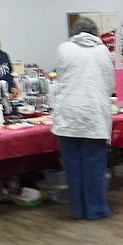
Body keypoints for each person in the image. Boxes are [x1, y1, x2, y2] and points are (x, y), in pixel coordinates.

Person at [51, 17, 115, 220]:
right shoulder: (102, 50)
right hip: (94, 115)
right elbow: (109, 84)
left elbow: (60, 77)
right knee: (94, 165)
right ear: (95, 31)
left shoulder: (63, 48)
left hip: (68, 115)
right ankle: (96, 209)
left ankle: (78, 209)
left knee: (73, 166)